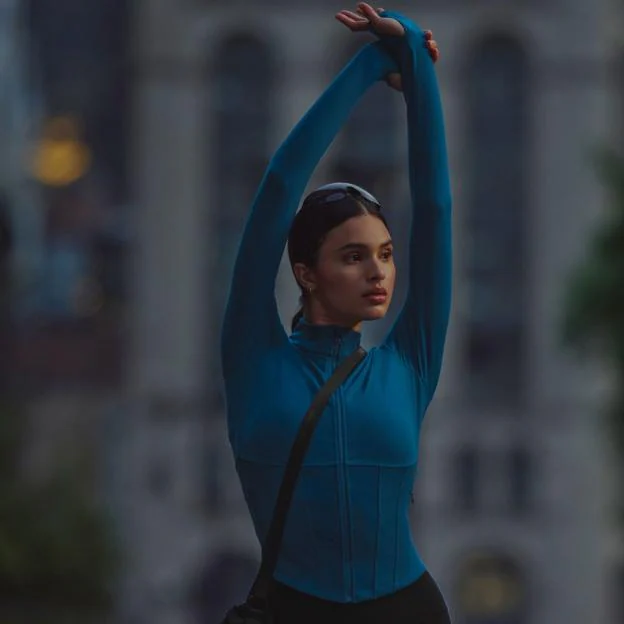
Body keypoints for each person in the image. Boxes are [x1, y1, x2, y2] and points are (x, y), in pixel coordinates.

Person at [220, 3, 452, 623]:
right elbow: (277, 189)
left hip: (409, 610)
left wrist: (415, 70)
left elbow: (434, 208)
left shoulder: (409, 361)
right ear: (306, 273)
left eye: (384, 254)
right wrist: (369, 65)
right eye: (353, 256)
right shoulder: (253, 360)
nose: (378, 272)